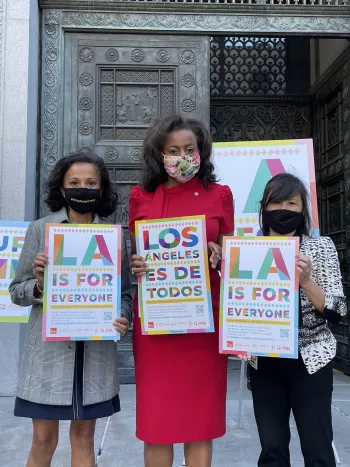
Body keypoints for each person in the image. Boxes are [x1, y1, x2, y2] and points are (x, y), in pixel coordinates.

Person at [9, 151, 132, 467]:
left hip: (94, 357)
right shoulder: (40, 230)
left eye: (91, 183)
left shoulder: (114, 235)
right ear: (62, 190)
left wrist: (123, 316)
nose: (83, 188)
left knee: (83, 440)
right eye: (74, 183)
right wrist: (38, 285)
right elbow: (17, 292)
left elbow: (124, 293)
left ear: (101, 189)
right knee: (42, 441)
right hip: (48, 358)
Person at [128, 115, 234, 467]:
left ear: (201, 152)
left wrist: (219, 254)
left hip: (203, 324)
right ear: (159, 155)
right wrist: (136, 264)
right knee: (158, 423)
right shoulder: (140, 197)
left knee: (199, 422)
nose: (182, 156)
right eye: (173, 150)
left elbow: (232, 254)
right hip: (157, 325)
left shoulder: (220, 195)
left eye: (189, 149)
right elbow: (136, 255)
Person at [248, 173, 347, 467]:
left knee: (317, 448)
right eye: (275, 202)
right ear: (264, 208)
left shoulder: (321, 247)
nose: (283, 209)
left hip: (311, 360)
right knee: (272, 450)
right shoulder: (247, 251)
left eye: (292, 203)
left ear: (303, 209)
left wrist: (306, 281)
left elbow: (337, 309)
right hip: (264, 363)